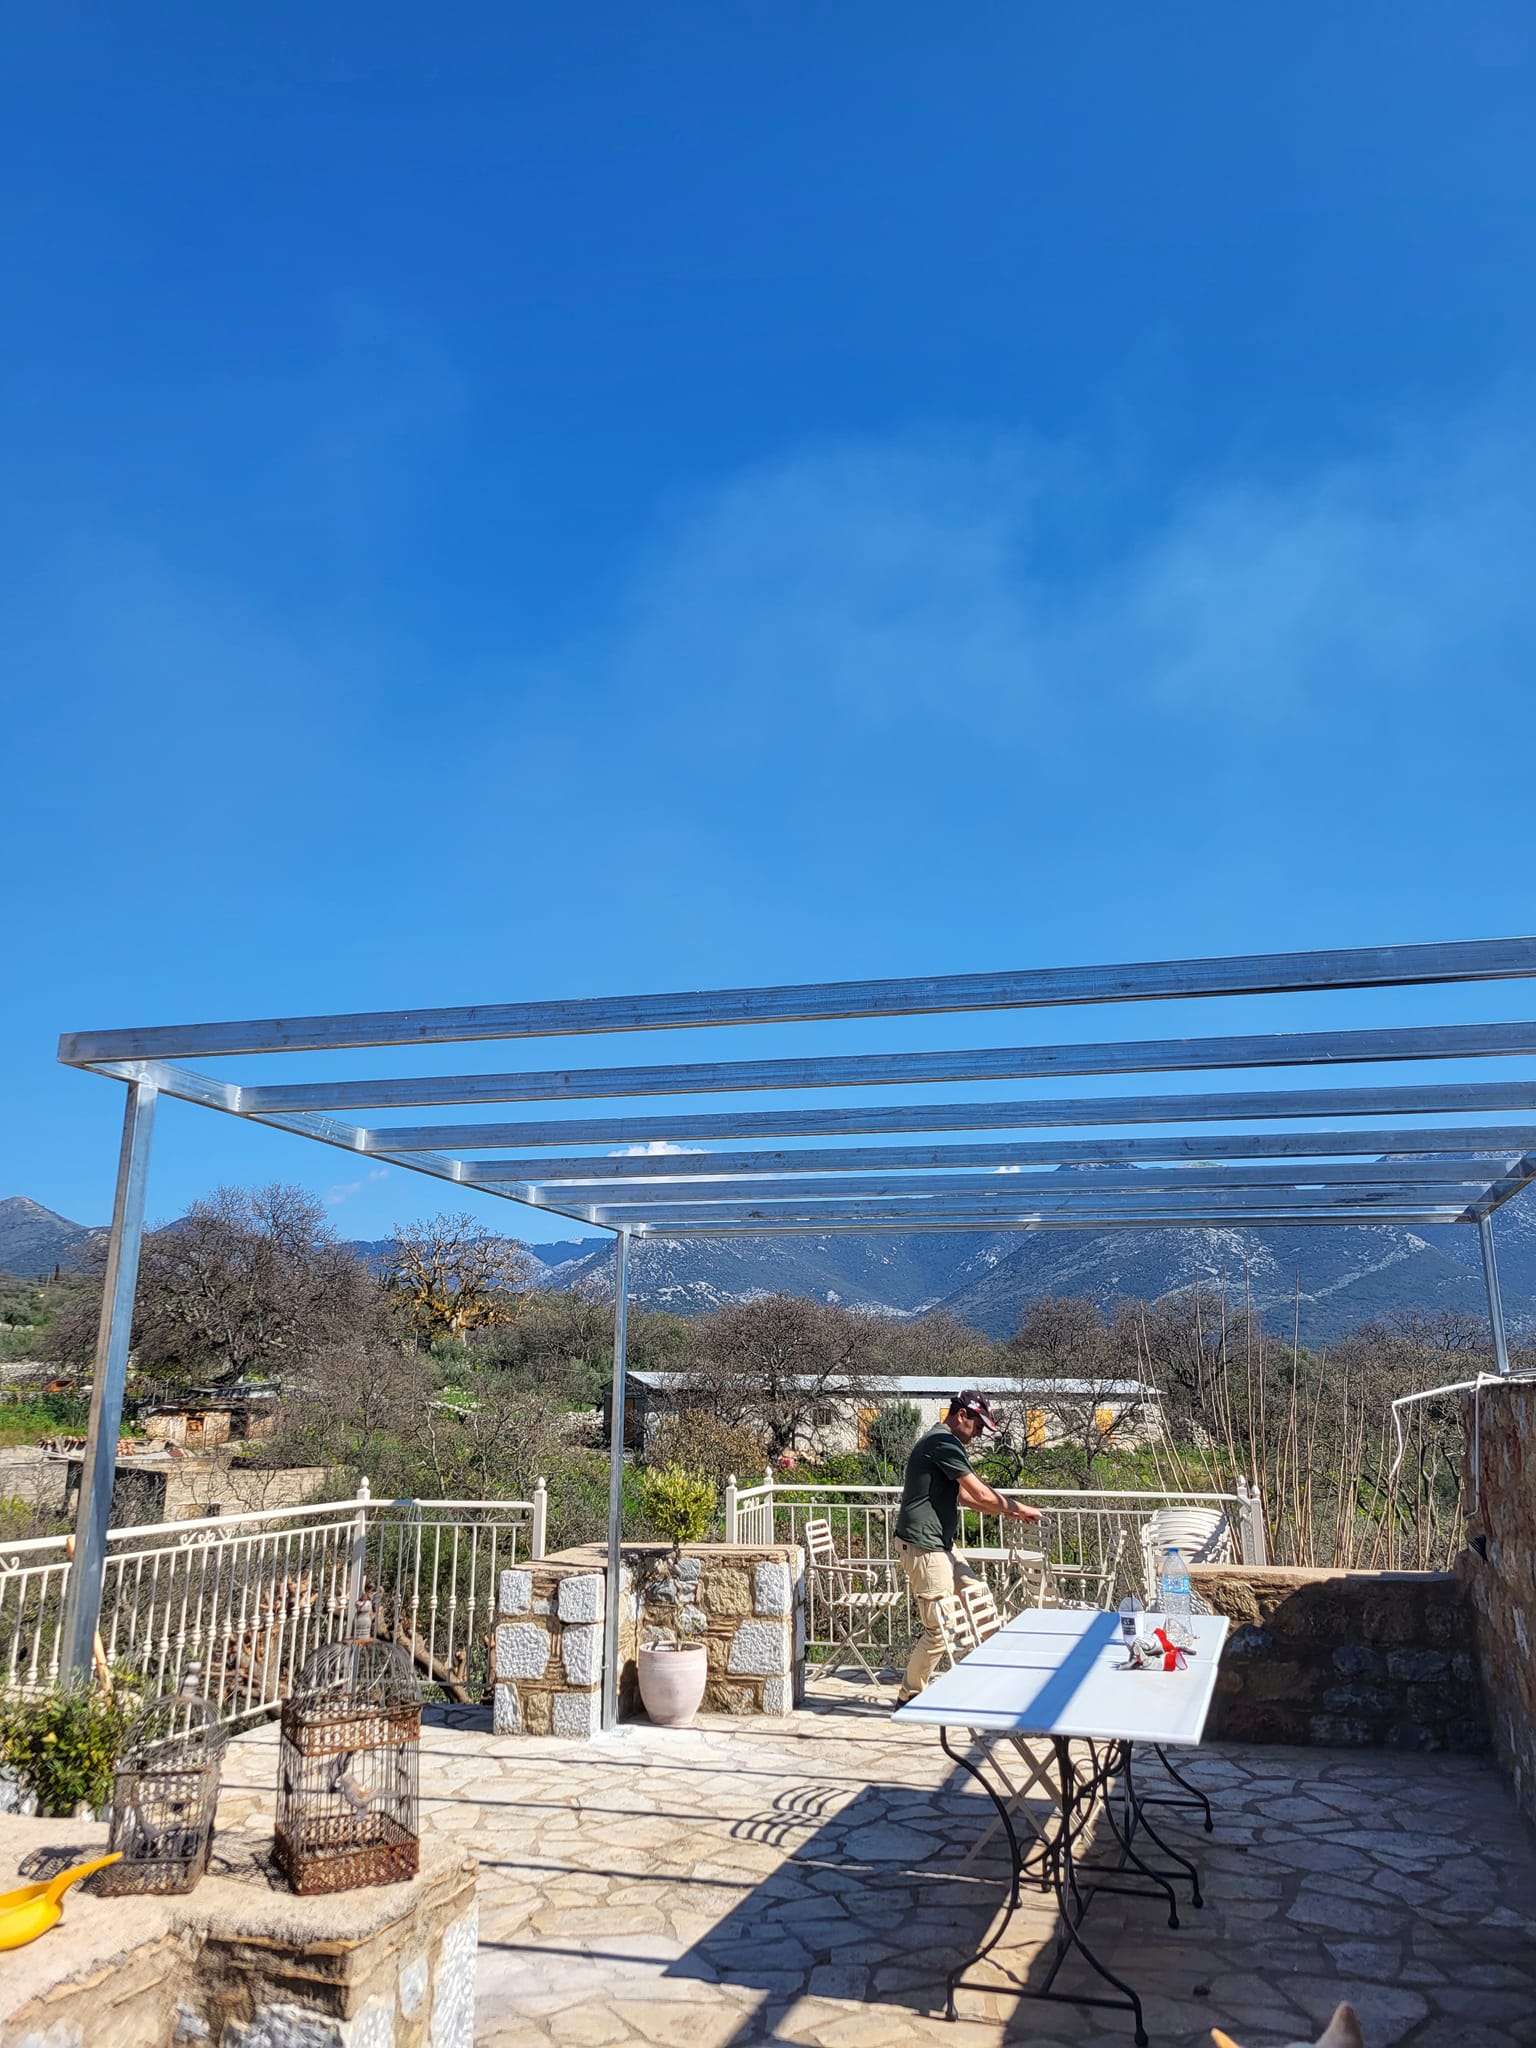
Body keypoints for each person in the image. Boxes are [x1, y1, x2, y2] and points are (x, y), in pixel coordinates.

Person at [893, 1390, 1042, 1705]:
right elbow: (982, 1494)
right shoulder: (942, 1443)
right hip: (924, 1547)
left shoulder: (944, 1443)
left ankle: (997, 1676)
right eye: (978, 1425)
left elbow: (965, 1497)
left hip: (941, 1546)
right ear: (962, 1415)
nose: (979, 1433)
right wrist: (1020, 1507)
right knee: (940, 1628)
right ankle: (909, 1696)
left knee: (980, 1600)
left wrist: (1010, 1512)